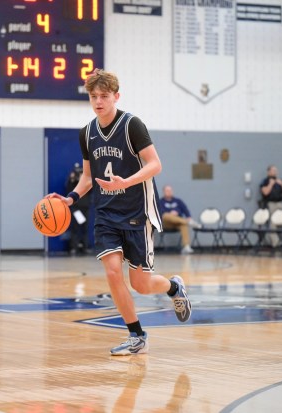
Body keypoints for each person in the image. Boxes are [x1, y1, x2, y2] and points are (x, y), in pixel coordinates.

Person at [46, 69, 192, 356]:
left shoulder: (131, 125)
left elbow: (155, 164)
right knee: (113, 273)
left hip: (137, 210)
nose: (98, 101)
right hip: (106, 213)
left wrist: (127, 181)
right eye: (93, 96)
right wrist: (70, 198)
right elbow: (88, 177)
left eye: (104, 96)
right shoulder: (87, 133)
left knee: (141, 284)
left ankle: (174, 287)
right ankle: (136, 336)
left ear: (116, 96)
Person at [159, 185, 201, 255]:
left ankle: (186, 246)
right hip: (166, 223)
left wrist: (188, 216)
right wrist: (171, 213)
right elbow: (160, 212)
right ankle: (189, 223)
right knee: (166, 215)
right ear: (164, 192)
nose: (169, 192)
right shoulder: (160, 202)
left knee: (183, 225)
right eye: (167, 190)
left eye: (170, 190)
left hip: (177, 223)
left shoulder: (178, 201)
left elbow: (185, 210)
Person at [259, 165, 282, 247]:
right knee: (272, 224)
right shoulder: (265, 181)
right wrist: (271, 184)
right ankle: (276, 243)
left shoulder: (279, 181)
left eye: (276, 170)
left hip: (280, 203)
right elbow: (265, 192)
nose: (275, 172)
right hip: (271, 203)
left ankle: (281, 240)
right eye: (273, 170)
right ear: (269, 172)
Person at [65, 162, 90, 255]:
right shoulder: (72, 182)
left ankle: (84, 247)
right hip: (76, 208)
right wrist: (72, 180)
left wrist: (83, 180)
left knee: (85, 228)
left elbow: (90, 190)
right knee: (75, 228)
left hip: (85, 207)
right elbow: (69, 191)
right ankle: (74, 247)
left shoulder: (86, 181)